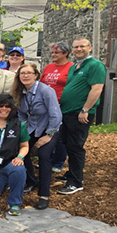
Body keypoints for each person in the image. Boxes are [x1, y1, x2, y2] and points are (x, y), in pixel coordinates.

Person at [57, 37, 106, 195]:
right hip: (67, 112)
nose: (78, 49)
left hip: (80, 114)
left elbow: (96, 89)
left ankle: (75, 182)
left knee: (76, 147)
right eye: (76, 47)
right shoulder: (74, 66)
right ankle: (71, 173)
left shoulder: (95, 66)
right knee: (68, 143)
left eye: (82, 46)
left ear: (90, 48)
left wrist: (85, 110)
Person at [11, 63, 62, 210]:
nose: (25, 76)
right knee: (20, 150)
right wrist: (22, 129)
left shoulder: (46, 91)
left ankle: (44, 195)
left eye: (29, 73)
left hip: (51, 127)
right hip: (32, 127)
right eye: (22, 73)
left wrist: (48, 135)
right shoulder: (20, 92)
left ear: (36, 75)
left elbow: (56, 115)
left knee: (44, 154)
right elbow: (21, 113)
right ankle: (32, 181)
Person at [40, 42, 73, 173]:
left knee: (59, 134)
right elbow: (42, 83)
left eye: (56, 52)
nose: (53, 55)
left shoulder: (71, 67)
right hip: (45, 105)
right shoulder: (48, 67)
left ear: (65, 53)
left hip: (61, 104)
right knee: (47, 132)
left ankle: (58, 162)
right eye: (52, 52)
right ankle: (47, 158)